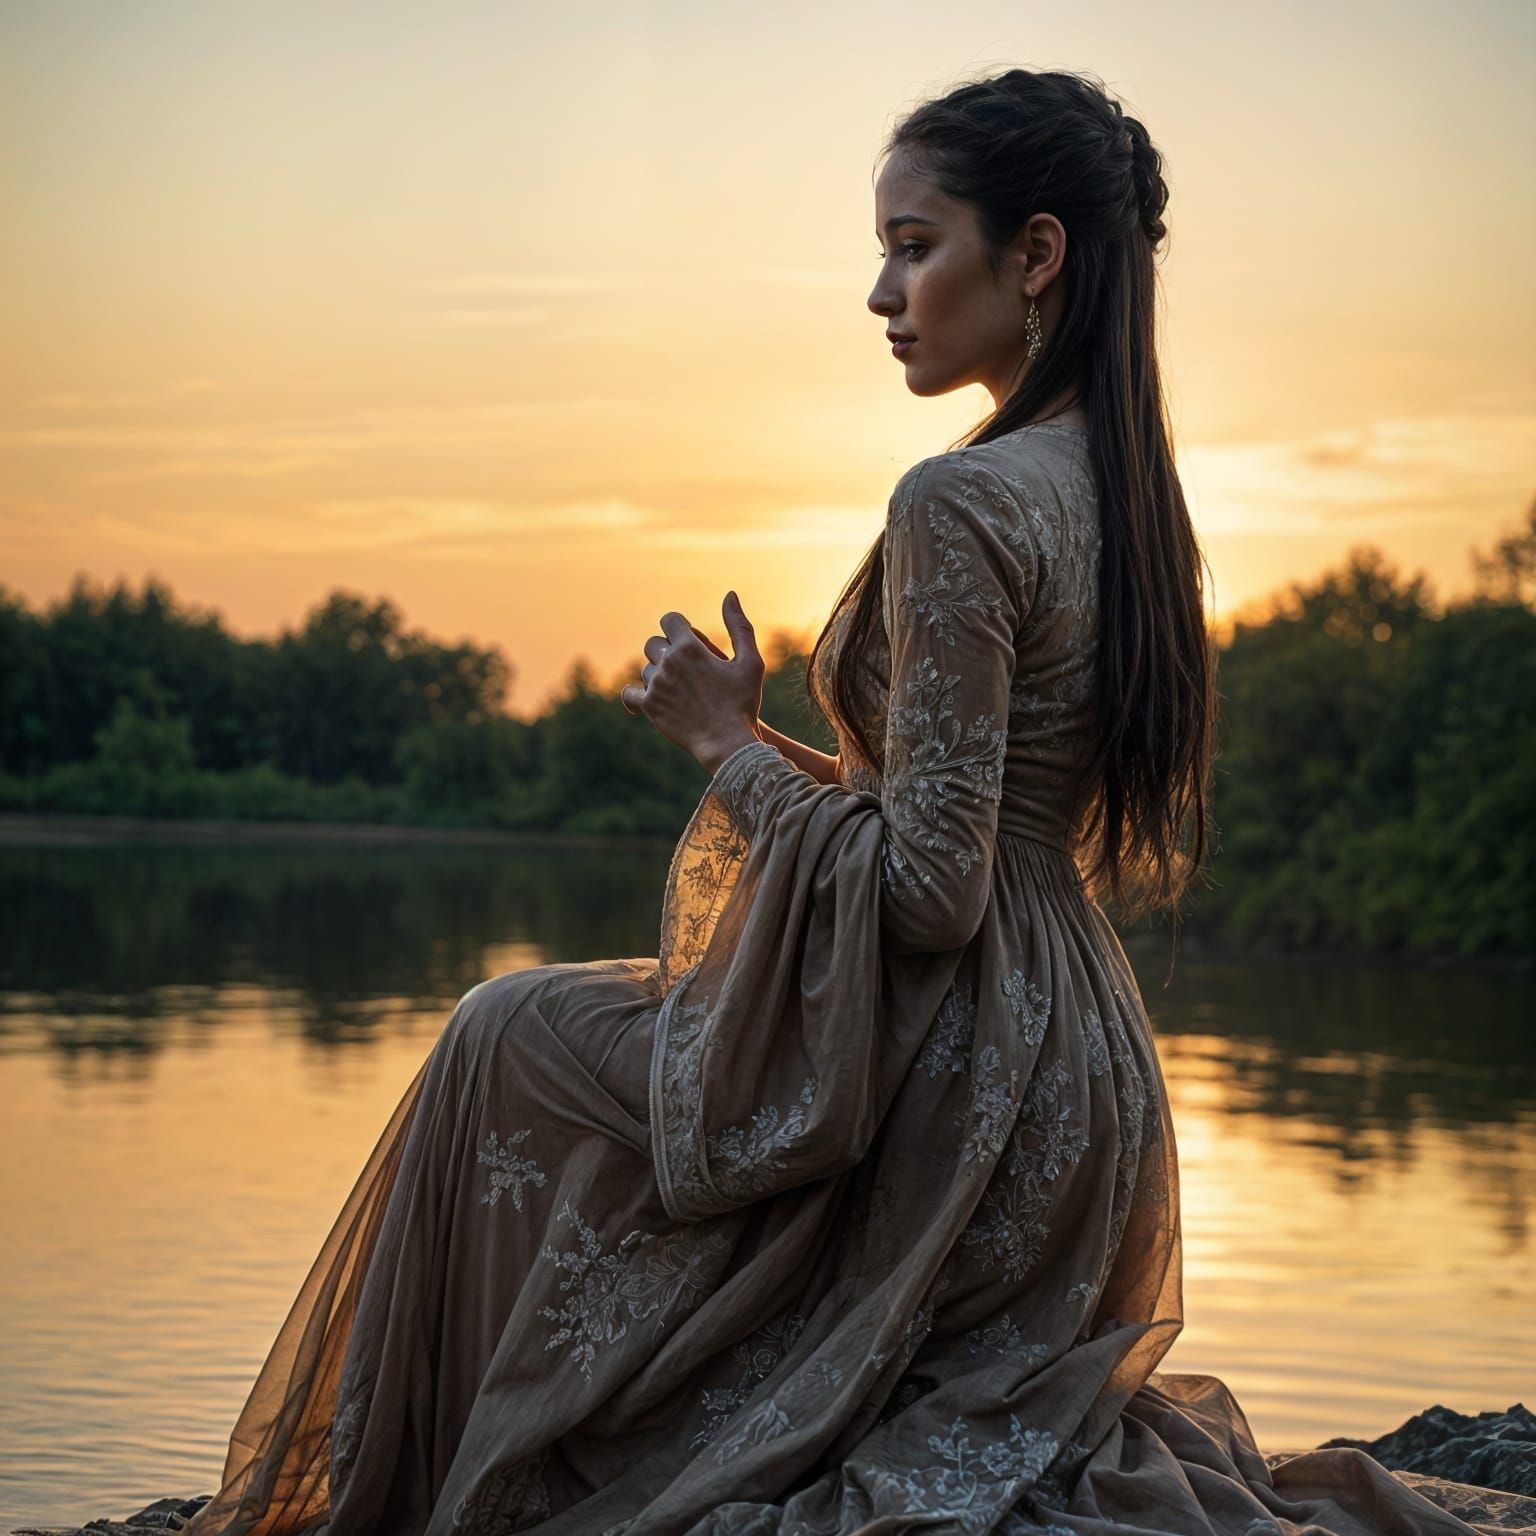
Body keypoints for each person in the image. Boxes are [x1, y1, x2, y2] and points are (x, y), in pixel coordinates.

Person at [183, 68, 1509, 1536]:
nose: (883, 291)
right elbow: (966, 822)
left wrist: (720, 749)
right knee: (547, 1038)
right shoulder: (1128, 494)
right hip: (1076, 1060)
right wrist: (772, 744)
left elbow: (933, 888)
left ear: (1037, 255)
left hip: (964, 1070)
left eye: (914, 243)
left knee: (506, 1036)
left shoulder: (960, 502)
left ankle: (419, 1486)